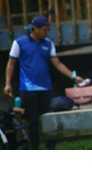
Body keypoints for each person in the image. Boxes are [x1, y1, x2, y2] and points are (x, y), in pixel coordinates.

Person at [3, 15, 85, 149]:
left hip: (45, 88)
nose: (46, 32)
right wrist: (7, 83)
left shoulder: (48, 43)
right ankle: (34, 149)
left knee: (48, 120)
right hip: (28, 89)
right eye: (44, 30)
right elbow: (11, 63)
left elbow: (57, 63)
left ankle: (49, 148)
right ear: (35, 29)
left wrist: (73, 76)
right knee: (32, 122)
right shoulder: (19, 43)